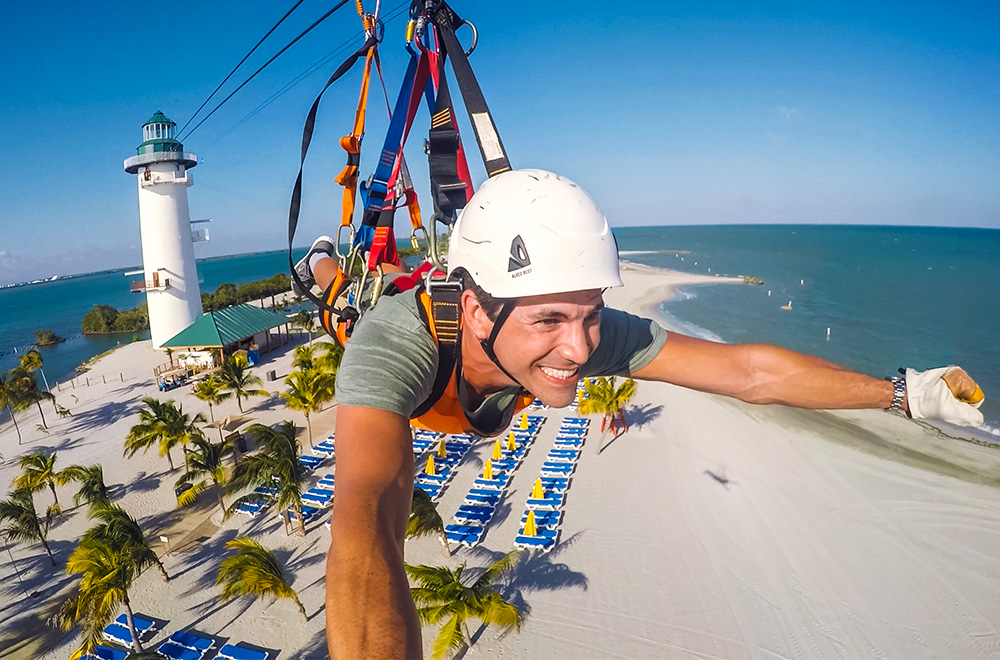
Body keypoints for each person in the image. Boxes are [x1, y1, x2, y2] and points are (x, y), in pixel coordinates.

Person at [294, 169, 985, 659]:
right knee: (343, 300)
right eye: (551, 320)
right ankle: (321, 261)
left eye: (592, 314)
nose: (579, 346)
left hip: (464, 354)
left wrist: (905, 394)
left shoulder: (576, 332)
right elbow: (366, 530)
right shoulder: (391, 352)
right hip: (375, 324)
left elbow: (746, 372)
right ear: (476, 310)